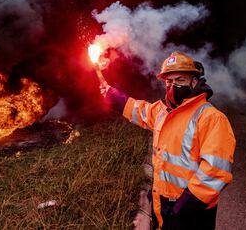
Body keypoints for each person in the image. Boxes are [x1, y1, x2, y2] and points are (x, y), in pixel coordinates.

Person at [100, 51, 236, 230]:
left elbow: (216, 172)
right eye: (169, 81)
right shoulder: (162, 111)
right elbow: (139, 110)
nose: (173, 86)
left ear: (194, 82)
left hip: (193, 210)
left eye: (180, 80)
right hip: (162, 201)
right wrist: (110, 94)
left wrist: (184, 207)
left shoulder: (211, 117)